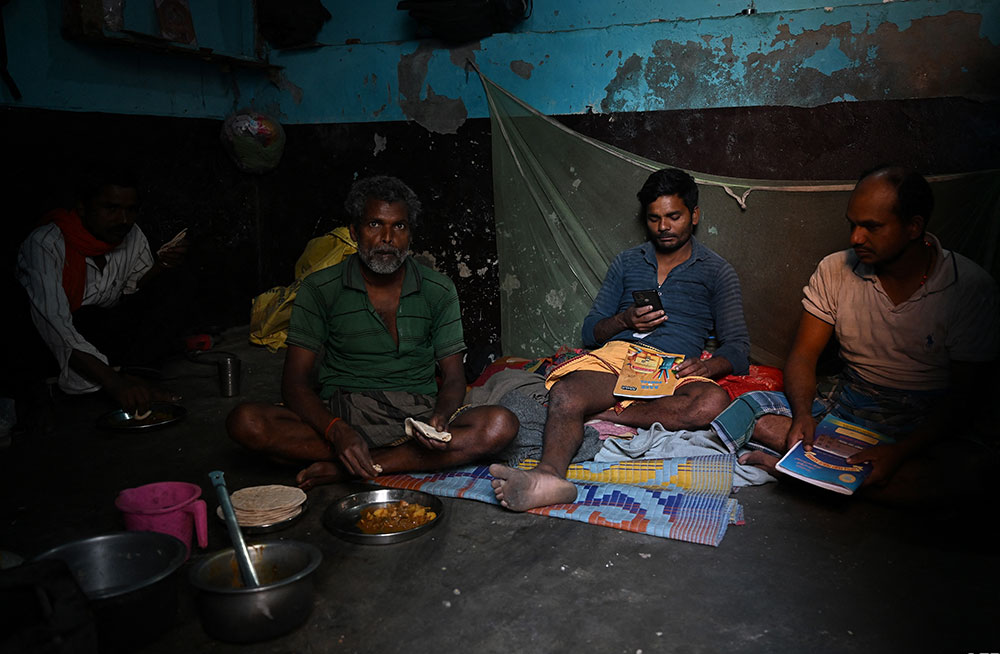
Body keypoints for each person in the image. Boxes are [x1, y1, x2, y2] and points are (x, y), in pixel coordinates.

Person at [711, 166, 999, 502]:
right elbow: (803, 356)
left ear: (913, 226)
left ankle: (802, 471)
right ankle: (838, 473)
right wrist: (803, 416)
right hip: (850, 401)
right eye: (853, 225)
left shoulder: (969, 287)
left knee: (968, 473)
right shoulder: (835, 269)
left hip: (924, 416)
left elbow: (963, 399)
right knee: (743, 411)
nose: (856, 238)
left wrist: (899, 453)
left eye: (872, 227)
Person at [226, 176, 518, 489]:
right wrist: (337, 431)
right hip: (342, 410)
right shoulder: (320, 289)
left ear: (410, 234)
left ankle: (352, 467)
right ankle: (380, 456)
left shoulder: (439, 290)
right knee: (246, 422)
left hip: (416, 415)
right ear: (354, 232)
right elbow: (294, 383)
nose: (387, 238)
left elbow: (454, 376)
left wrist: (441, 418)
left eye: (399, 226)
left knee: (500, 426)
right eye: (375, 224)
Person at [490, 168, 751, 511]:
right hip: (618, 359)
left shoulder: (717, 271)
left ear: (695, 215)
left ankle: (608, 415)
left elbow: (738, 348)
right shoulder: (627, 262)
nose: (663, 226)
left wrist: (707, 366)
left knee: (712, 403)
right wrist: (624, 320)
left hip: (670, 369)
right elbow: (590, 331)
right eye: (654, 218)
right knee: (566, 392)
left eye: (674, 216)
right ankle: (548, 477)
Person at [15, 167, 189, 416]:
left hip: (101, 329)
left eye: (130, 210)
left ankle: (137, 377)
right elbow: (55, 325)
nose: (123, 219)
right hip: (51, 342)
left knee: (171, 284)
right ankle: (42, 399)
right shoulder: (45, 244)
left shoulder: (132, 235)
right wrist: (114, 383)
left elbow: (134, 290)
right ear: (83, 208)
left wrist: (161, 266)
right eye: (111, 208)